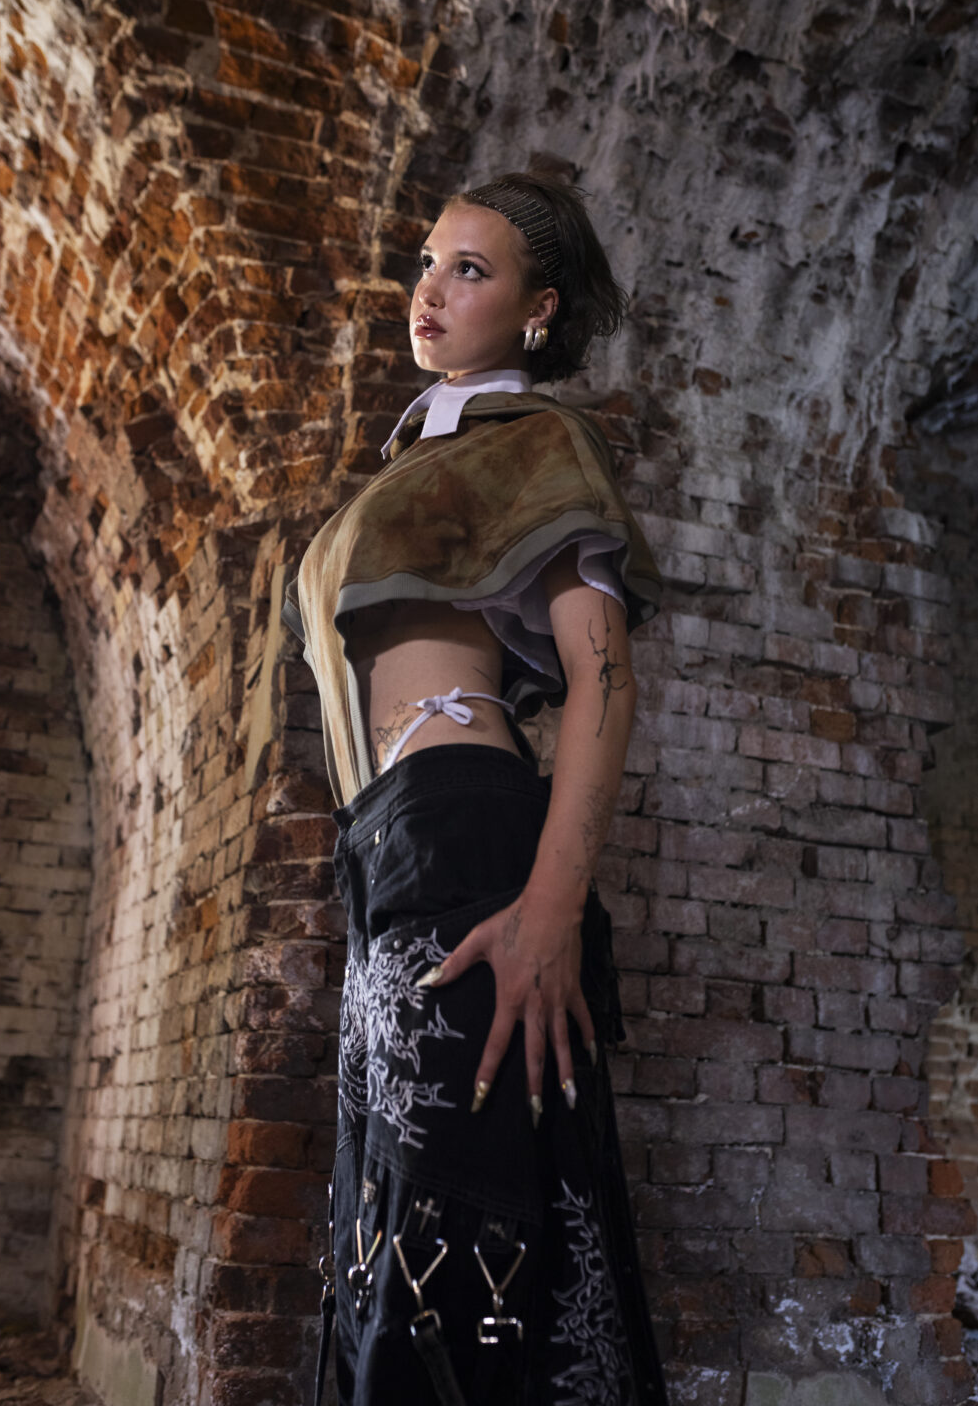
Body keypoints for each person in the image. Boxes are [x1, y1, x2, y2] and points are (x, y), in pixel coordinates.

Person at [283, 171, 670, 1406]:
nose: (430, 290)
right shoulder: (414, 459)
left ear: (536, 309)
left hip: (466, 834)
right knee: (385, 1227)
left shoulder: (538, 445)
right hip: (386, 845)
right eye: (427, 263)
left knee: (465, 1228)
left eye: (470, 269)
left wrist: (551, 907)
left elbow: (602, 678)